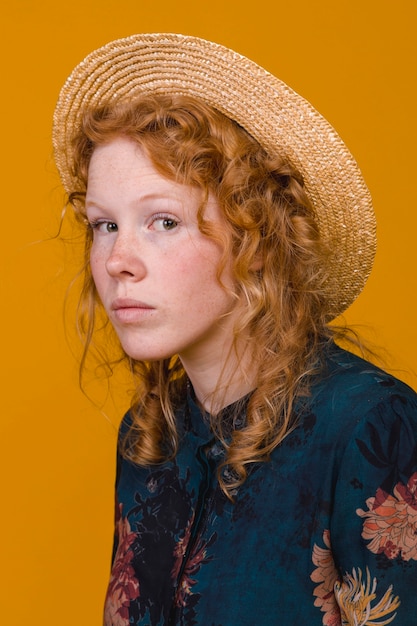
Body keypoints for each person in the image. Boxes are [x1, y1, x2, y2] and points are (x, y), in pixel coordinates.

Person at [53, 34, 417, 626]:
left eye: (163, 221)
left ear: (255, 239)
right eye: (103, 225)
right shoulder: (149, 437)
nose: (119, 259)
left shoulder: (371, 427)